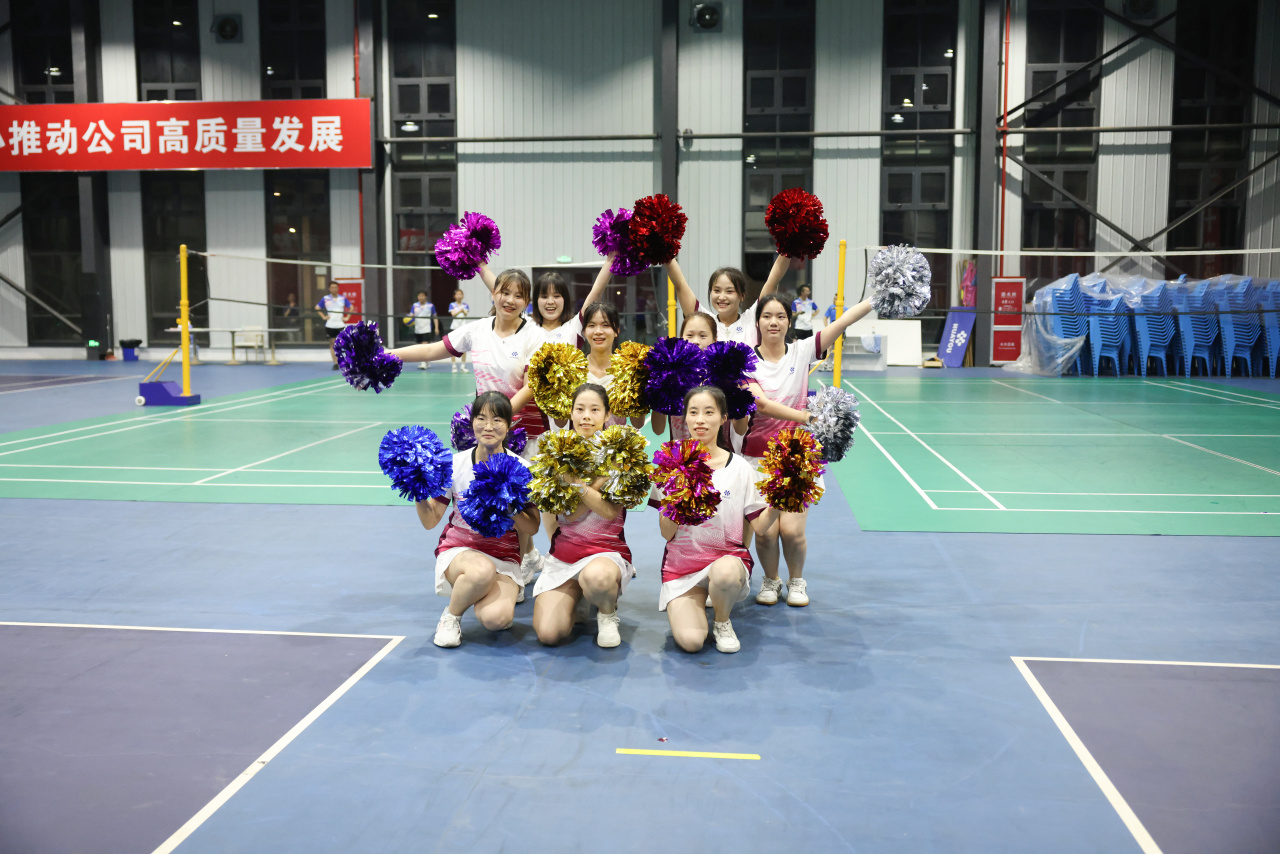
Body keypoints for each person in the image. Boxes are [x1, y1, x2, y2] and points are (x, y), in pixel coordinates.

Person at [387, 270, 550, 587]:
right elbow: (432, 350)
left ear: (527, 302)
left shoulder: (535, 336)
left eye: (518, 295)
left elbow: (531, 386)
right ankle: (508, 560)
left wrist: (500, 419)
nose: (510, 300)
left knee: (515, 501)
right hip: (488, 429)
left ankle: (517, 565)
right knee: (488, 499)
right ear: (494, 294)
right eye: (504, 292)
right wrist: (389, 355)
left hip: (523, 430)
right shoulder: (477, 330)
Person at [743, 293, 874, 608]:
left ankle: (796, 581)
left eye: (780, 316)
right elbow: (761, 404)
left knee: (792, 532)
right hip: (756, 458)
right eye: (766, 316)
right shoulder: (745, 360)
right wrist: (806, 417)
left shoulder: (802, 351)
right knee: (764, 532)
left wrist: (873, 301)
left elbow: (842, 322)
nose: (773, 322)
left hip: (796, 458)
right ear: (757, 322)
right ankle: (771, 580)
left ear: (789, 321)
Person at [658, 385, 780, 654]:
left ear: (724, 418)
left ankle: (722, 621)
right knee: (691, 642)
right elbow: (667, 533)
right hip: (683, 566)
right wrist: (677, 497)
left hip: (726, 561)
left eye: (709, 412)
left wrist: (781, 500)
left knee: (724, 574)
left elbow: (760, 527)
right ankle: (696, 601)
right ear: (685, 417)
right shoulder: (672, 463)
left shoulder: (740, 468)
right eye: (693, 412)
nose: (700, 420)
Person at [417, 391, 540, 648]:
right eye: (481, 418)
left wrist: (509, 505)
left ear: (509, 425)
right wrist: (416, 488)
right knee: (481, 571)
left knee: (497, 620)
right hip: (460, 551)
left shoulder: (522, 469)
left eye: (497, 420)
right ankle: (451, 616)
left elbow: (533, 526)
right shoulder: (454, 465)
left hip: (504, 556)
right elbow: (430, 521)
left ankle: (476, 589)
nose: (488, 426)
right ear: (472, 422)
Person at [530, 383, 634, 648]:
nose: (586, 416)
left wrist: (577, 483)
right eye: (580, 409)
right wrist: (599, 480)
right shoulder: (554, 452)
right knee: (549, 634)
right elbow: (555, 513)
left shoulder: (621, 453)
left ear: (607, 414)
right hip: (565, 555)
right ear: (571, 412)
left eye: (594, 409)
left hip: (605, 552)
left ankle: (607, 612)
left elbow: (609, 511)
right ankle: (579, 594)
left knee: (596, 578)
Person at [650, 311, 748, 451]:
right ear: (681, 338)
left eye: (703, 336)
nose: (696, 341)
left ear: (715, 339)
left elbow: (741, 429)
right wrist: (662, 389)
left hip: (720, 456)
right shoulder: (670, 375)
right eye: (690, 335)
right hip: (682, 457)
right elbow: (658, 429)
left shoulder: (725, 374)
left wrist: (737, 393)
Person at [665, 253, 790, 346]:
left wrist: (787, 247)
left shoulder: (753, 318)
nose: (722, 297)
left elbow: (773, 281)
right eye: (717, 290)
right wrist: (665, 250)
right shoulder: (703, 320)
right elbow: (680, 285)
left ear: (742, 296)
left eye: (729, 291)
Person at [316, 282, 353, 369]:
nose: (334, 289)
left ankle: (345, 362)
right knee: (332, 344)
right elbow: (317, 308)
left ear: (338, 288)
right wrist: (324, 317)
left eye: (335, 287)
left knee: (344, 344)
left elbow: (351, 307)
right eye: (332, 287)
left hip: (340, 324)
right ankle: (335, 363)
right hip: (330, 325)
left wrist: (347, 317)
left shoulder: (342, 298)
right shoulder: (326, 298)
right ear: (329, 289)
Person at [404, 290, 440, 370]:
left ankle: (423, 363)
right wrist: (407, 320)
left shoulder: (430, 306)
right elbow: (411, 315)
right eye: (419, 296)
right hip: (418, 329)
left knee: (424, 345)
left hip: (427, 328)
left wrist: (436, 328)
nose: (420, 297)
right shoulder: (415, 305)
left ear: (425, 296)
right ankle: (425, 361)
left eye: (422, 296)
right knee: (420, 346)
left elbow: (435, 317)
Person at [447, 289, 470, 373]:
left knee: (464, 347)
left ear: (462, 296)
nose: (459, 296)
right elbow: (453, 314)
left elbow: (466, 313)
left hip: (463, 327)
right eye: (457, 294)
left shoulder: (465, 305)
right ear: (454, 296)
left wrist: (462, 311)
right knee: (453, 347)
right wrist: (460, 310)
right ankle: (454, 365)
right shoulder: (452, 305)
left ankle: (463, 366)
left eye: (461, 294)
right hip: (454, 327)